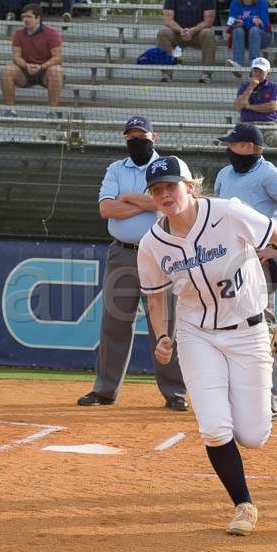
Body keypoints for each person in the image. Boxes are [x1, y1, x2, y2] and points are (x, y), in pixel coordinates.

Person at [138, 155, 277, 536]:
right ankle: (244, 504)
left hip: (248, 332)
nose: (164, 194)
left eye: (171, 185)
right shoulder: (152, 243)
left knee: (253, 435)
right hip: (196, 335)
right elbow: (155, 296)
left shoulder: (228, 213)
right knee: (214, 428)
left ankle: (237, 397)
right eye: (156, 189)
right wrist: (163, 335)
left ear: (190, 187)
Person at [78, 115, 188, 410]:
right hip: (123, 252)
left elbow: (168, 205)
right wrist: (145, 201)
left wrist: (128, 199)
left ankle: (175, 392)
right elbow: (106, 209)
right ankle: (104, 390)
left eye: (141, 135)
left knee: (165, 323)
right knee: (114, 322)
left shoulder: (169, 167)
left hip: (164, 253)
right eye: (130, 136)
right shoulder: (116, 168)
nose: (135, 140)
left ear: (154, 137)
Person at [213, 123, 277, 418]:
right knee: (228, 327)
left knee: (263, 329)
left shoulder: (272, 175)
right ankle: (234, 398)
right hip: (228, 261)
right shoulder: (224, 174)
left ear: (246, 147)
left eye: (232, 144)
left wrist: (274, 248)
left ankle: (269, 400)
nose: (228, 149)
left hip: (258, 265)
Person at [0, 5, 64, 115]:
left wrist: (41, 67)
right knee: (6, 70)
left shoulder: (52, 33)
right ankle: (10, 110)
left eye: (29, 16)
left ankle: (52, 111)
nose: (25, 19)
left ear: (38, 18)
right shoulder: (18, 34)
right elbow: (16, 57)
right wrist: (26, 66)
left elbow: (57, 57)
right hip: (25, 72)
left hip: (46, 72)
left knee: (56, 71)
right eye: (23, 17)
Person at [157, 0, 217, 83]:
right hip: (177, 33)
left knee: (208, 33)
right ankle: (166, 74)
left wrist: (192, 30)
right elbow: (168, 19)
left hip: (197, 35)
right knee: (163, 33)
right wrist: (181, 30)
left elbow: (208, 21)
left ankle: (206, 74)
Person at [235, 57, 277, 147]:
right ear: (251, 72)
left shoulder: (274, 87)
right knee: (227, 142)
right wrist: (251, 87)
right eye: (255, 70)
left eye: (261, 71)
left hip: (268, 124)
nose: (257, 74)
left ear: (268, 73)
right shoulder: (244, 86)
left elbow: (272, 107)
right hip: (247, 124)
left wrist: (249, 107)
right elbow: (238, 106)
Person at [225, 0, 271, 69]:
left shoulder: (262, 2)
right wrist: (250, 22)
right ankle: (237, 63)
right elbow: (230, 22)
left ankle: (254, 64)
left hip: (262, 38)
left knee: (254, 30)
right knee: (238, 30)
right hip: (243, 38)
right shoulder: (235, 2)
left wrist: (244, 23)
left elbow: (264, 24)